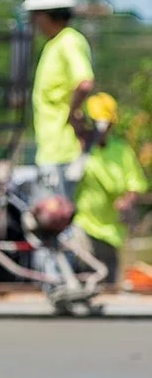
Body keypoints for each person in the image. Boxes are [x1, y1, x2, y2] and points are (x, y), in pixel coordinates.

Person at [23, 0, 95, 200]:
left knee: (55, 214)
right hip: (52, 150)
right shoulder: (54, 44)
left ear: (46, 14)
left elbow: (84, 82)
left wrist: (73, 113)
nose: (34, 21)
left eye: (35, 15)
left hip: (63, 152)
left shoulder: (68, 41)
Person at [69, 93, 147, 286]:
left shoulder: (121, 151)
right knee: (83, 274)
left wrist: (127, 201)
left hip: (112, 231)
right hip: (83, 224)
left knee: (108, 281)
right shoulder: (77, 149)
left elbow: (136, 184)